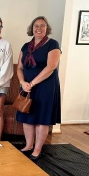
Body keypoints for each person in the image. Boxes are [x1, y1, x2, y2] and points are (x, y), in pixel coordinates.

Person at [16, 16, 61, 161]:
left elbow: (51, 67)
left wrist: (32, 83)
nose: (39, 28)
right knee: (27, 116)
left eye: (42, 25)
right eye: (36, 26)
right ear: (32, 28)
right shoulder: (25, 46)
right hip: (27, 87)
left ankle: (37, 149)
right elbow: (19, 67)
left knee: (42, 118)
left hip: (46, 87)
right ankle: (28, 145)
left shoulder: (52, 44)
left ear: (47, 28)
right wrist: (23, 82)